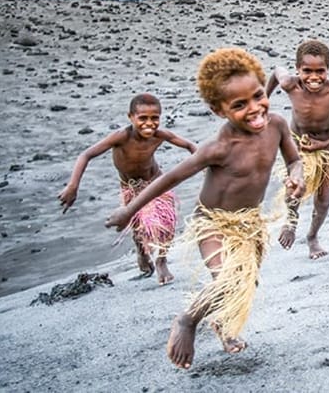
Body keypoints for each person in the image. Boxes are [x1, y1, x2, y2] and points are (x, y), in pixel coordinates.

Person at [105, 47, 304, 370]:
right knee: (227, 278)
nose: (255, 109)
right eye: (239, 105)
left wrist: (297, 176)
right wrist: (129, 212)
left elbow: (294, 160)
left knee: (245, 283)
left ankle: (224, 328)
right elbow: (168, 178)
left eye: (257, 96)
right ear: (218, 110)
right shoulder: (218, 148)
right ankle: (187, 321)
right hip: (212, 223)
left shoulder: (278, 125)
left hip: (249, 223)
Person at [58, 92, 196, 285]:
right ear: (130, 117)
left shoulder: (160, 135)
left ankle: (162, 260)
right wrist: (73, 186)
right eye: (142, 118)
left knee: (167, 222)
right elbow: (86, 154)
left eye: (155, 118)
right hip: (131, 187)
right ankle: (142, 253)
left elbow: (190, 146)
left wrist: (207, 166)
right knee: (138, 225)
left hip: (156, 181)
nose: (149, 123)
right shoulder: (121, 137)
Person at [266, 39, 329, 259]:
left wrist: (326, 143)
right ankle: (291, 220)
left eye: (321, 71)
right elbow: (276, 71)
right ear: (298, 69)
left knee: (324, 200)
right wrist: (264, 98)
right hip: (296, 147)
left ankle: (312, 236)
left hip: (325, 150)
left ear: (328, 69)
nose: (314, 77)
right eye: (307, 71)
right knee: (294, 188)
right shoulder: (290, 84)